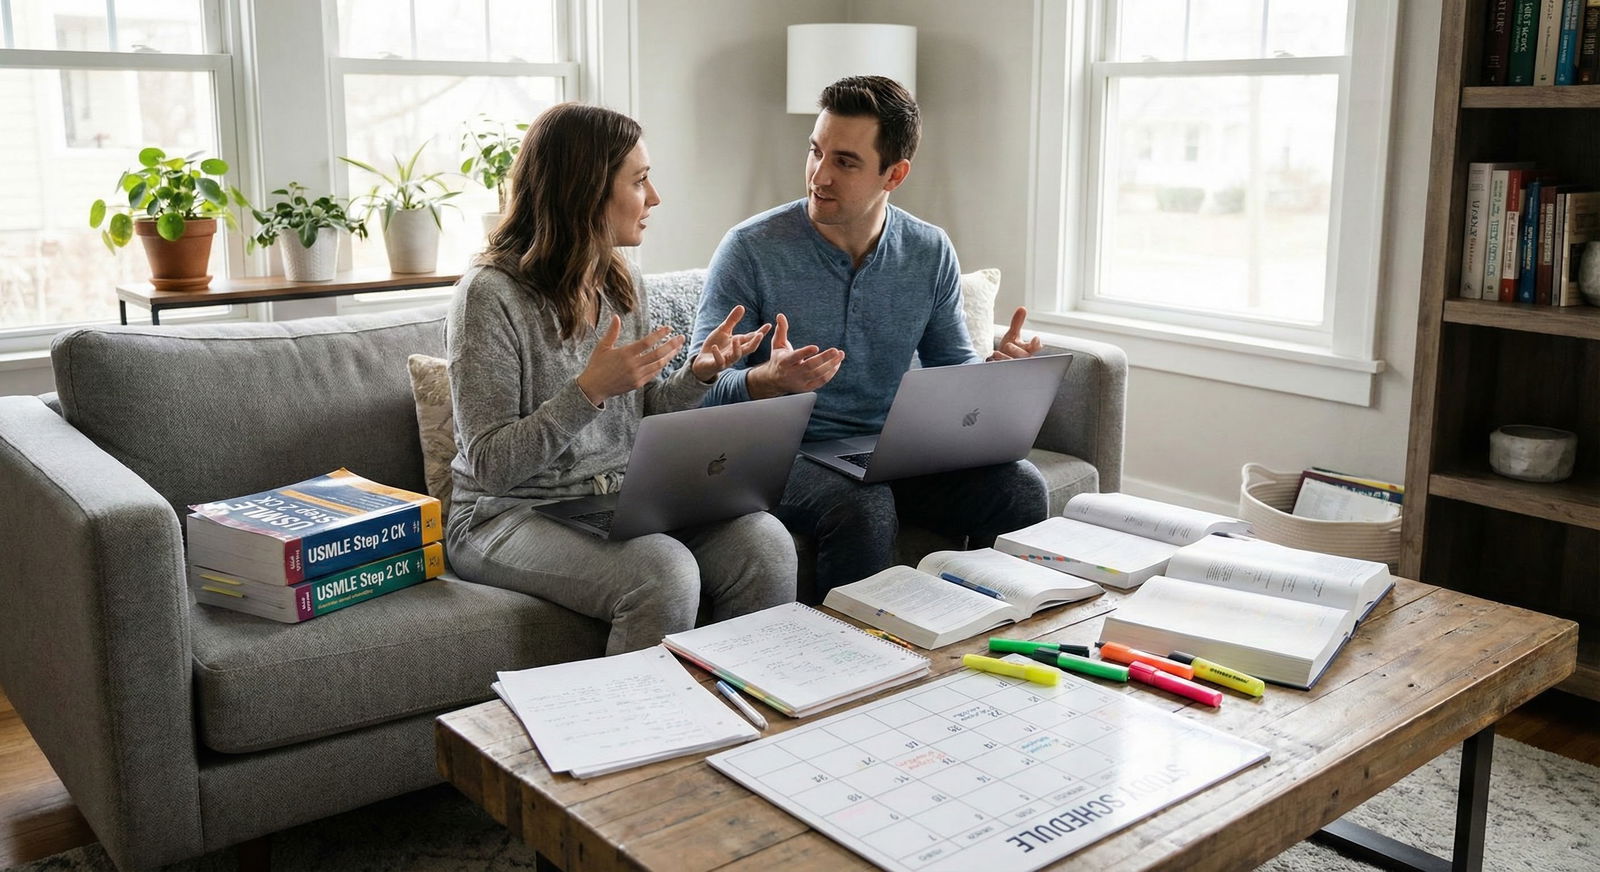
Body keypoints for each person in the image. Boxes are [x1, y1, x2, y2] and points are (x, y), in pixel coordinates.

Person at [446, 102, 794, 655]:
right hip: (503, 515)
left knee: (765, 540)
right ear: (585, 192)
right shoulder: (489, 296)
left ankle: (747, 724)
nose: (654, 198)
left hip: (614, 501)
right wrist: (587, 392)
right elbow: (489, 467)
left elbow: (643, 414)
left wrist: (699, 376)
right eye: (639, 181)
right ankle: (644, 737)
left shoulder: (619, 277)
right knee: (664, 571)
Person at [688, 75, 1048, 599]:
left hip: (892, 451)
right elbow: (697, 392)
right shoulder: (749, 248)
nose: (819, 175)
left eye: (845, 161)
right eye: (816, 152)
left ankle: (995, 635)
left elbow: (952, 371)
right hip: (782, 455)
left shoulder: (929, 250)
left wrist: (995, 379)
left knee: (1019, 487)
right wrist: (764, 380)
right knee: (862, 504)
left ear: (894, 174)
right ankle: (859, 666)